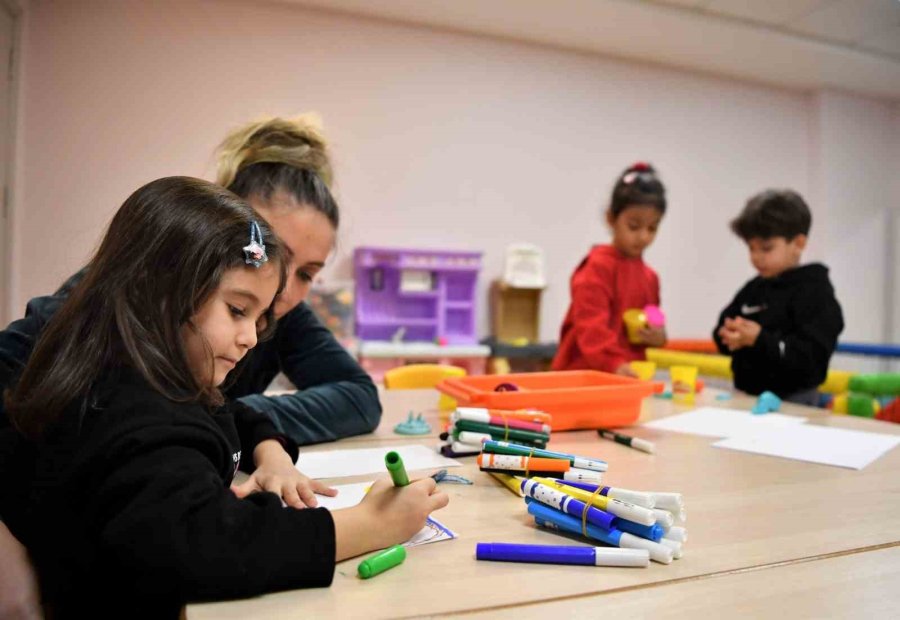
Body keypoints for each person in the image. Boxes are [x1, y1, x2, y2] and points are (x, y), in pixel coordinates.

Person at [0, 177, 448, 617]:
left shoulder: (157, 381)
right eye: (237, 311)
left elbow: (225, 413)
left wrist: (268, 452)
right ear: (158, 292)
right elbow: (207, 547)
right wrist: (371, 525)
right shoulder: (133, 412)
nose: (251, 338)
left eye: (258, 318)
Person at [0, 114, 381, 448]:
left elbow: (360, 398)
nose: (280, 289)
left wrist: (234, 421)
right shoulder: (120, 291)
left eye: (306, 274)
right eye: (266, 253)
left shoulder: (280, 313)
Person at [712, 189, 844, 404]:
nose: (756, 258)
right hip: (747, 395)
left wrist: (759, 339)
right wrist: (729, 334)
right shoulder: (754, 288)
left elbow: (811, 358)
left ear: (798, 244)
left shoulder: (815, 291)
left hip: (795, 400)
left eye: (766, 248)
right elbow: (721, 330)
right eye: (751, 248)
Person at [552, 162, 667, 376]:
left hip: (626, 375)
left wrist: (659, 334)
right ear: (611, 219)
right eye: (634, 226)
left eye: (652, 228)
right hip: (582, 376)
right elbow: (590, 326)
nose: (643, 236)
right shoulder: (597, 266)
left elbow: (654, 315)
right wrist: (614, 363)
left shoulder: (651, 277)